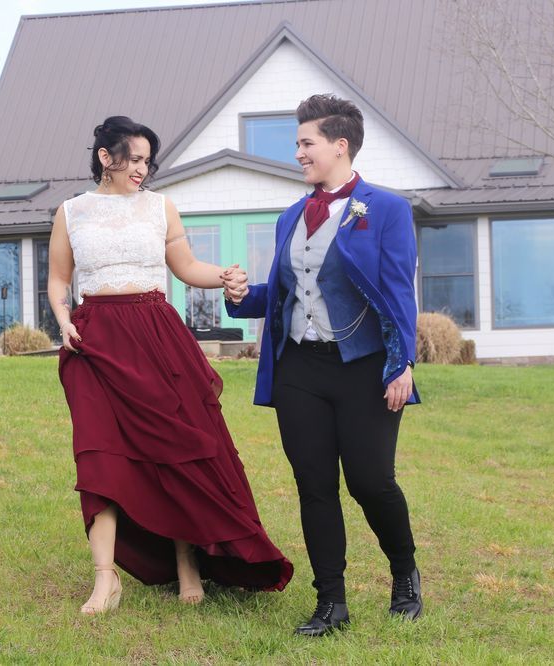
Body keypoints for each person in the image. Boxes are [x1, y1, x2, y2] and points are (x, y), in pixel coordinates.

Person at [48, 116, 293, 615]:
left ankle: (188, 563)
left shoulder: (161, 207)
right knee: (101, 458)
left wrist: (222, 274)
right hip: (94, 341)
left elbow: (185, 267)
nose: (142, 169)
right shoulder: (71, 213)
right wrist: (62, 319)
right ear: (105, 157)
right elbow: (58, 280)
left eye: (146, 161)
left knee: (175, 451)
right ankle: (104, 579)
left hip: (156, 335)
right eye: (134, 159)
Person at [221, 94, 423, 637]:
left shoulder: (387, 209)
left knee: (370, 481)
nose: (299, 153)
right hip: (300, 371)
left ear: (339, 145)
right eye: (298, 144)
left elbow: (400, 293)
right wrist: (241, 298)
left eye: (306, 143)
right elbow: (288, 290)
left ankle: (403, 573)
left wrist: (402, 364)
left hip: (364, 367)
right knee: (314, 484)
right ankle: (330, 602)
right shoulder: (291, 214)